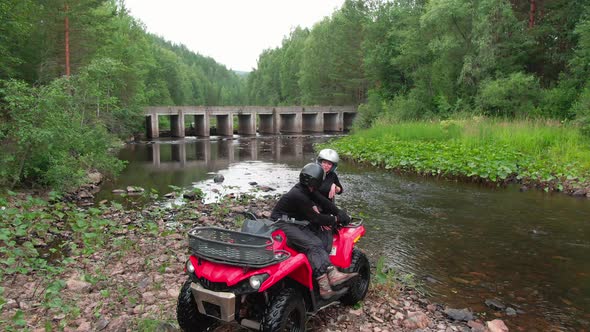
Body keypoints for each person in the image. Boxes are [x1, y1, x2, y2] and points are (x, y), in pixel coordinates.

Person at [271, 163, 356, 299]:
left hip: (295, 222)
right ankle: (324, 286)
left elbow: (324, 202)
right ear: (316, 181)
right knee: (313, 245)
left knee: (317, 242)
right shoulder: (299, 195)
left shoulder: (306, 189)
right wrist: (336, 219)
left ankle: (332, 275)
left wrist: (340, 213)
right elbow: (316, 218)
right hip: (281, 224)